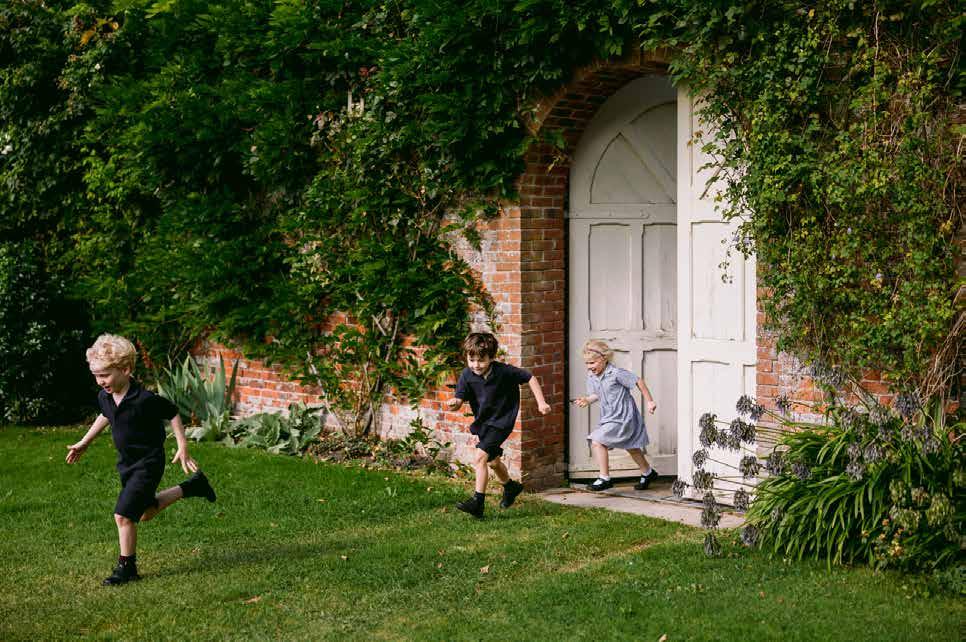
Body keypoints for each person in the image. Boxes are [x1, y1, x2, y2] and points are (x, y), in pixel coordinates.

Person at [66, 334, 216, 585]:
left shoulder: (144, 400)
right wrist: (85, 442)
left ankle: (127, 568)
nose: (100, 381)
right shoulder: (105, 396)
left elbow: (172, 412)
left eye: (105, 375)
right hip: (126, 464)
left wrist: (182, 445)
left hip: (148, 463)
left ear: (125, 370)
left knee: (123, 515)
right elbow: (106, 415)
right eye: (96, 375)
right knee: (144, 513)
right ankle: (193, 486)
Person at [446, 332, 551, 518]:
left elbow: (529, 377)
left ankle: (478, 502)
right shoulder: (467, 375)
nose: (476, 365)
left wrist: (541, 403)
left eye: (481, 360)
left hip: (502, 421)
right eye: (471, 360)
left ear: (491, 357)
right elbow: (459, 400)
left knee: (480, 457)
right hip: (484, 423)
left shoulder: (504, 371)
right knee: (493, 462)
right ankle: (510, 487)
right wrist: (454, 403)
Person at [572, 339, 658, 491]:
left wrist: (650, 401)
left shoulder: (616, 373)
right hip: (609, 417)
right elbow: (596, 394)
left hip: (624, 417)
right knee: (632, 447)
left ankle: (604, 478)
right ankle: (648, 472)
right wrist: (587, 400)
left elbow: (638, 381)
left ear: (604, 359)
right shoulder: (592, 376)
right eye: (587, 363)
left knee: (597, 441)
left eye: (592, 363)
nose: (589, 367)